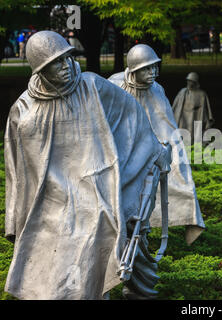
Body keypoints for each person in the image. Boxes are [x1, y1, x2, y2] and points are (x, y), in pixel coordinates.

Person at [4, 31, 171, 300]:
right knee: (54, 251)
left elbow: (133, 118)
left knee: (103, 228)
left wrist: (155, 150)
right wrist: (15, 220)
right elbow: (17, 171)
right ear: (41, 70)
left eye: (68, 59)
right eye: (56, 63)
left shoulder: (93, 86)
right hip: (50, 203)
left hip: (97, 192)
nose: (66, 67)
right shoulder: (24, 110)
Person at [109, 44, 205, 247]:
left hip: (155, 149)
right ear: (134, 70)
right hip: (123, 151)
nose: (152, 72)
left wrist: (173, 155)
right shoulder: (115, 86)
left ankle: (183, 223)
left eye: (154, 67)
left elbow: (167, 128)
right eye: (146, 68)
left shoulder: (157, 90)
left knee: (181, 180)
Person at [172, 72, 214, 141]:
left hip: (195, 116)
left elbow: (204, 110)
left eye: (191, 81)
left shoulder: (202, 94)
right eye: (188, 81)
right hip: (183, 117)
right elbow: (175, 106)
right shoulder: (183, 92)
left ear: (195, 82)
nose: (189, 83)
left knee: (193, 131)